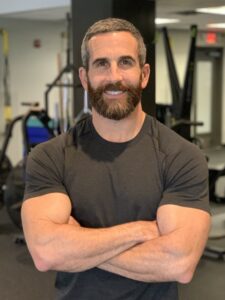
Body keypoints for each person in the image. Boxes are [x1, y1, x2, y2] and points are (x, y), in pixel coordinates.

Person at [21, 18, 211, 300]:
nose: (114, 77)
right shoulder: (49, 157)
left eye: (125, 62)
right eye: (101, 64)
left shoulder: (182, 157)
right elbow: (46, 253)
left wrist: (77, 242)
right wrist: (140, 231)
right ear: (85, 78)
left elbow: (179, 263)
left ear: (144, 74)